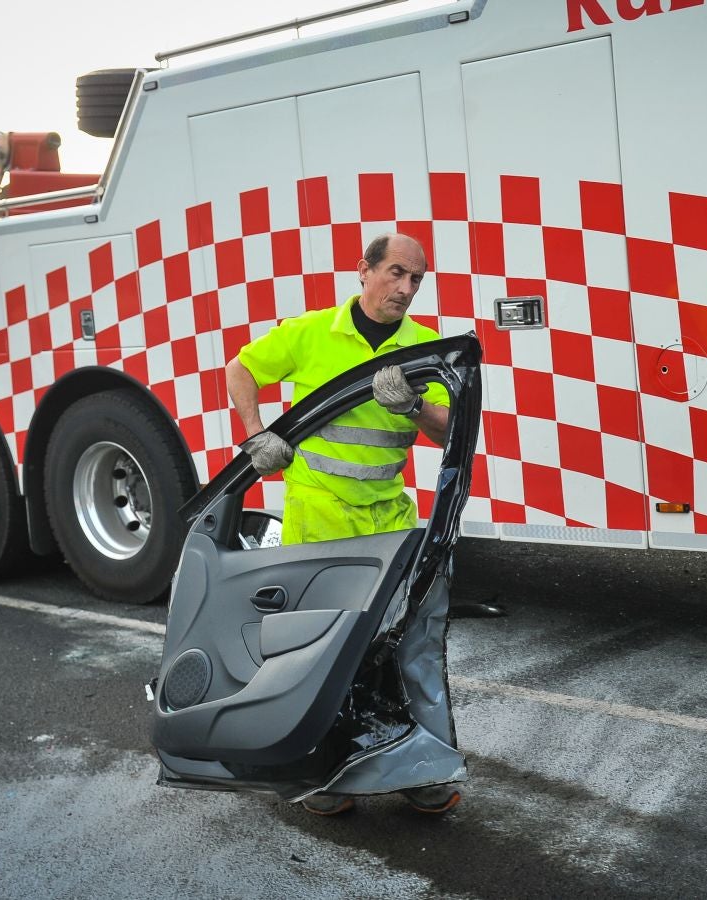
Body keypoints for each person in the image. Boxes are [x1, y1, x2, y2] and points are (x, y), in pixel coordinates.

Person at [224, 232, 462, 816]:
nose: (405, 289)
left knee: (410, 649)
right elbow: (242, 370)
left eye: (416, 280)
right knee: (320, 653)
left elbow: (446, 430)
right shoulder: (310, 334)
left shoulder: (423, 346)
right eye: (396, 273)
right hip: (320, 522)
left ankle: (425, 766)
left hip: (388, 520)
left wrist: (412, 404)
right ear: (364, 270)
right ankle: (324, 770)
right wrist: (258, 433)